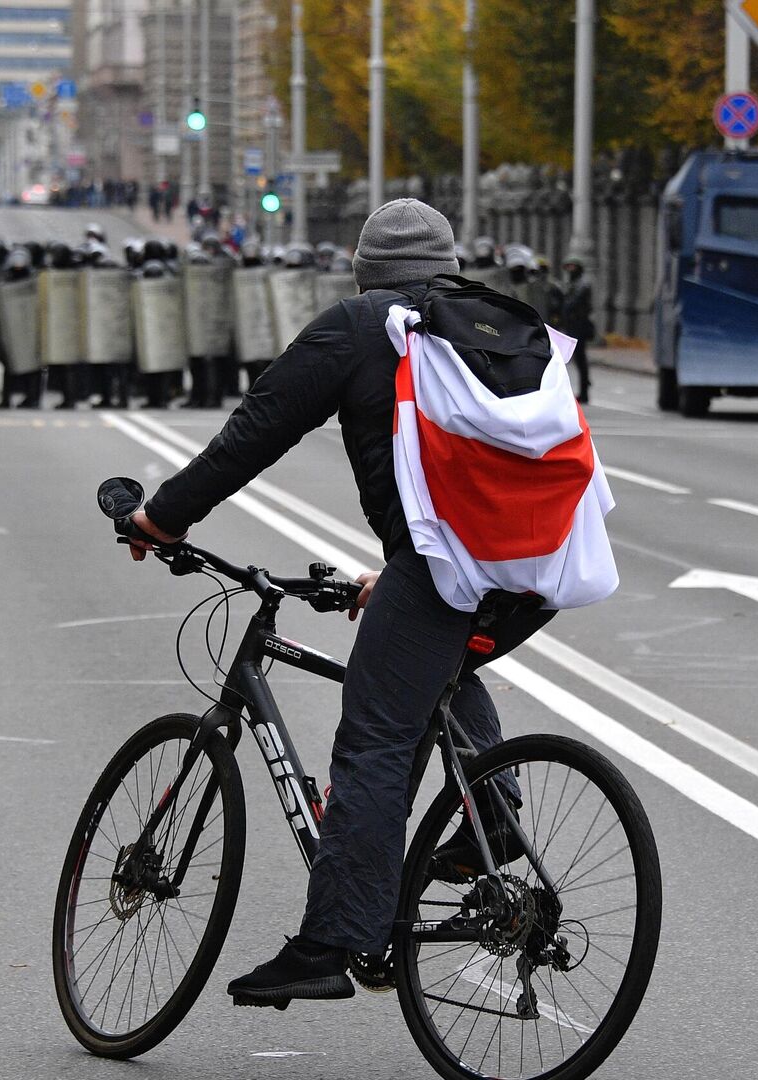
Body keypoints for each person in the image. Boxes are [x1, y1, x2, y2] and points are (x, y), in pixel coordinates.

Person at [125, 198, 558, 1006]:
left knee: (374, 740)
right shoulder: (493, 327)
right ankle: (491, 816)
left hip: (446, 565)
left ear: (363, 270)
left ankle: (332, 942)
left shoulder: (363, 326)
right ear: (450, 265)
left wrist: (161, 516)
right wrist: (394, 574)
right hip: (537, 565)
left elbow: (255, 430)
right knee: (441, 671)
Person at [550, 252, 594, 404]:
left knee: (579, 358)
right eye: (568, 267)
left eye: (573, 267)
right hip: (571, 325)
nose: (570, 270)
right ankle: (583, 387)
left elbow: (571, 303)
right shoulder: (571, 284)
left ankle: (584, 390)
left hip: (579, 325)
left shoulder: (582, 284)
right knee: (576, 358)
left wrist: (562, 308)